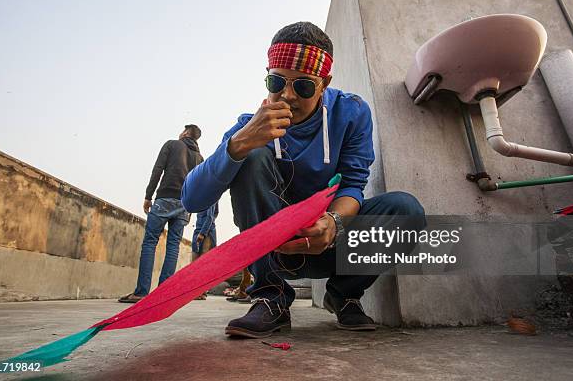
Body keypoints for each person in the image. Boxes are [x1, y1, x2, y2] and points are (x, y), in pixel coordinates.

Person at [181, 22, 425, 337]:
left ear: (324, 83)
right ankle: (271, 297)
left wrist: (334, 222)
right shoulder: (251, 126)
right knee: (251, 157)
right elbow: (191, 199)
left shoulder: (350, 113)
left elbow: (353, 185)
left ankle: (345, 293)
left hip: (330, 240)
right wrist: (238, 145)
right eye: (276, 81)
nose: (287, 95)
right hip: (275, 248)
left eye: (304, 87)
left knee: (406, 210)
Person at [119, 125, 203, 303]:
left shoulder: (172, 144)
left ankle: (141, 292)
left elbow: (158, 169)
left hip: (165, 198)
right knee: (173, 246)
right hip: (184, 204)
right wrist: (190, 210)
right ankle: (163, 295)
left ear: (186, 133)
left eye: (182, 130)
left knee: (150, 242)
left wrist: (148, 196)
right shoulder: (200, 158)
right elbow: (198, 186)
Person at [191, 202, 219, 300]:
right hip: (198, 230)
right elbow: (215, 213)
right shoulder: (201, 197)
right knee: (195, 263)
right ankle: (198, 291)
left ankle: (200, 292)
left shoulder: (210, 195)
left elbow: (210, 216)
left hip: (206, 232)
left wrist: (203, 232)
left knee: (202, 264)